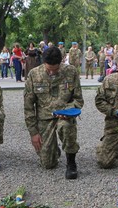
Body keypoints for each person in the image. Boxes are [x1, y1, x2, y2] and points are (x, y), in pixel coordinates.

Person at [24, 47, 84, 179]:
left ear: (61, 62)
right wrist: (33, 133)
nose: (51, 72)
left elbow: (78, 100)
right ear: (43, 62)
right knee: (48, 164)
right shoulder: (34, 75)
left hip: (65, 115)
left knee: (66, 126)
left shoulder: (71, 72)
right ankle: (52, 148)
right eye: (48, 69)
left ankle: (71, 162)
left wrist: (69, 110)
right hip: (44, 118)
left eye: (55, 69)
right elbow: (28, 106)